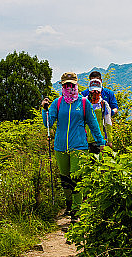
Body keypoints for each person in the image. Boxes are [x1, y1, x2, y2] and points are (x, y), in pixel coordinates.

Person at [42, 71, 106, 220]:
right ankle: (69, 204)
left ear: (76, 84)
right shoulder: (57, 103)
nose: (69, 87)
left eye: (72, 84)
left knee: (76, 177)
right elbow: (48, 124)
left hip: (79, 145)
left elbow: (93, 124)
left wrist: (101, 142)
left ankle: (76, 211)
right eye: (66, 85)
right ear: (62, 86)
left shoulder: (84, 103)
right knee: (65, 178)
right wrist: (44, 109)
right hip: (60, 146)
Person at [86, 78, 112, 154]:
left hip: (99, 140)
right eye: (93, 91)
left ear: (101, 91)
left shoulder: (103, 104)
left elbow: (108, 122)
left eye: (97, 91)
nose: (95, 93)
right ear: (89, 91)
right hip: (84, 139)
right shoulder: (84, 103)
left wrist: (109, 140)